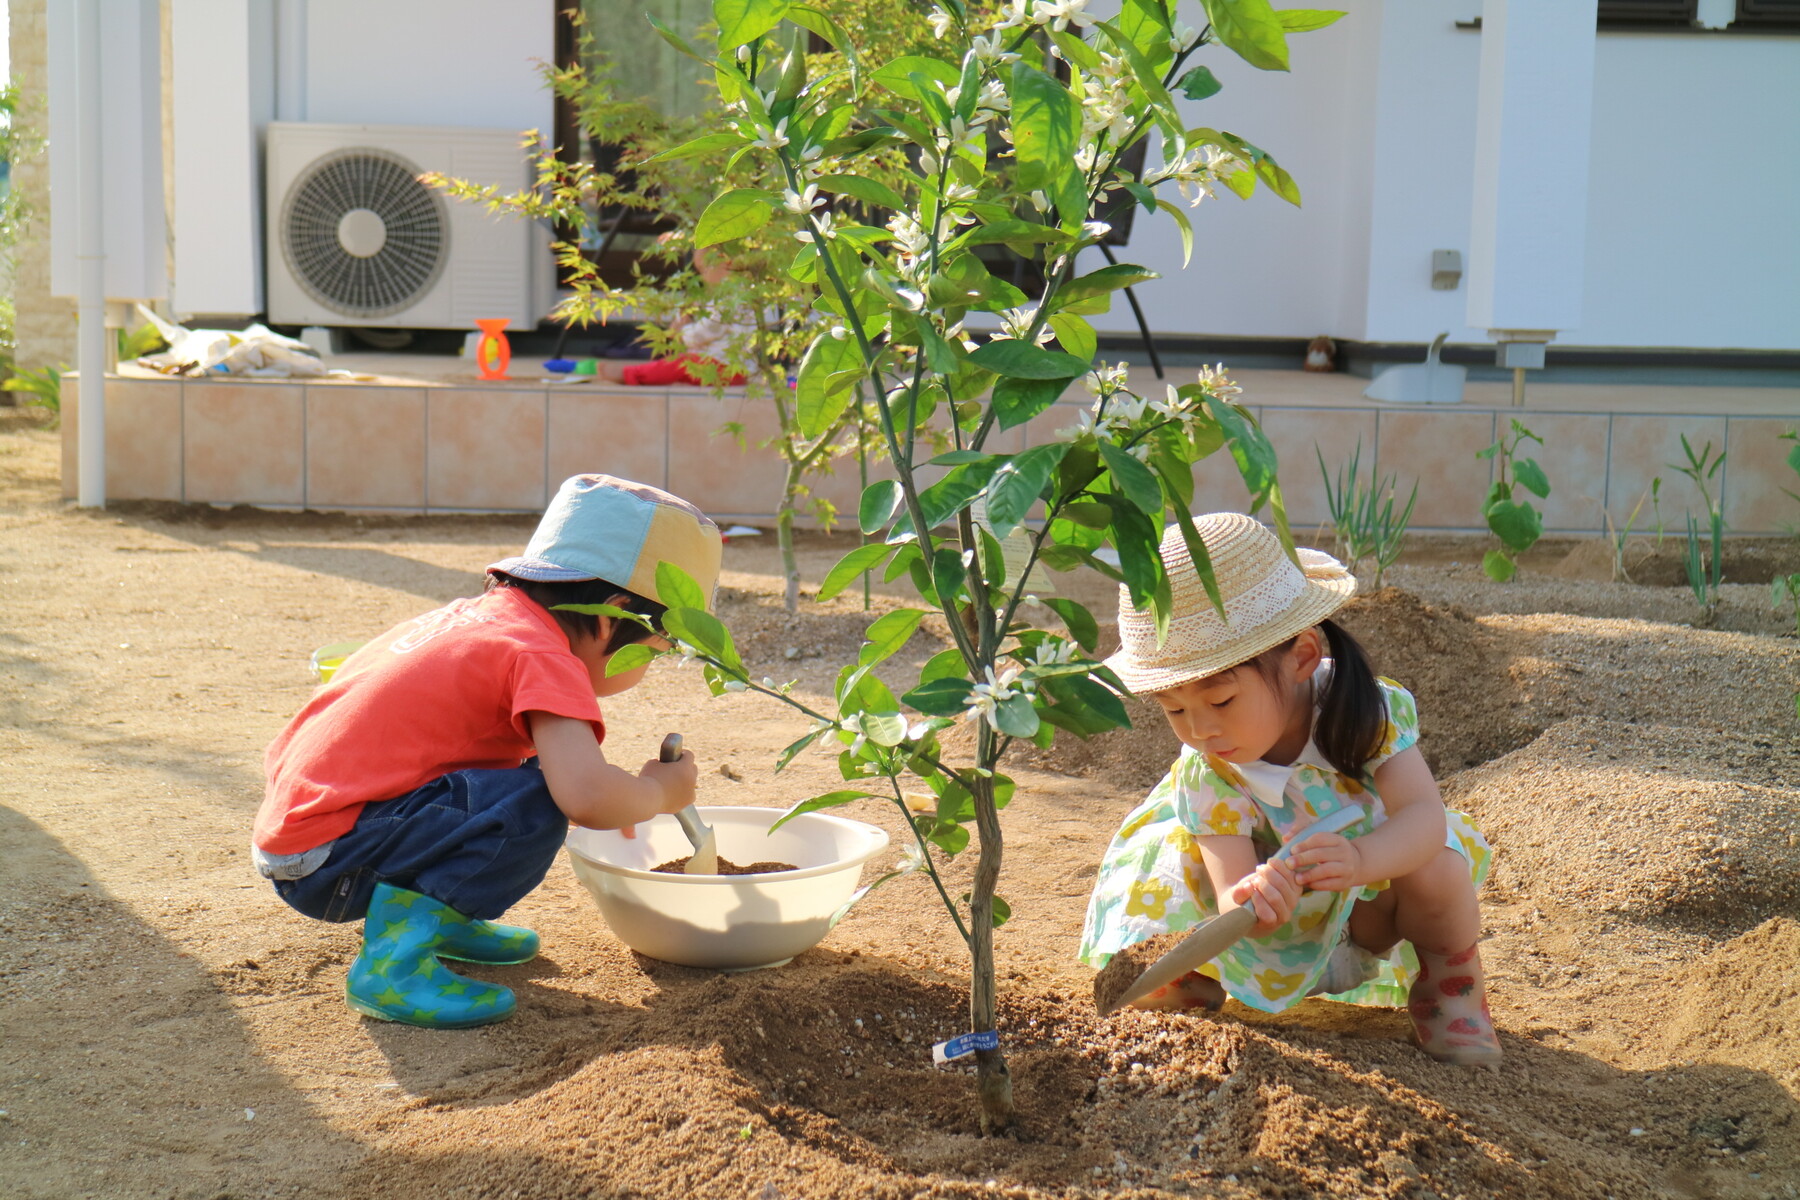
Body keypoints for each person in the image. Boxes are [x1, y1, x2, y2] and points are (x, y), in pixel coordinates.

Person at [252, 474, 722, 1029]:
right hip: (330, 860)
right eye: (655, 650)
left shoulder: (481, 621)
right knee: (535, 803)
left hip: (308, 833)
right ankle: (393, 965)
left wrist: (618, 794)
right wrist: (657, 792)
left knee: (526, 775)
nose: (648, 667)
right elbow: (586, 796)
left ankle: (437, 918)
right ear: (610, 618)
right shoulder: (541, 654)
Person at [1078, 512, 1501, 1067]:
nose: (1200, 729)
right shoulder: (1208, 771)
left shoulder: (1368, 715)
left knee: (1438, 866)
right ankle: (1192, 981)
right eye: (1174, 710)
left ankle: (1451, 988)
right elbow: (1228, 890)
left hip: (1367, 907)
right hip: (1268, 938)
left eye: (1221, 700)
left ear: (1301, 657)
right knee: (1175, 871)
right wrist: (1255, 899)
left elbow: (1424, 817)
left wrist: (1361, 859)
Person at [598, 246, 748, 387]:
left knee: (680, 364)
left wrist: (682, 332)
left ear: (727, 263)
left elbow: (709, 330)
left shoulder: (731, 298)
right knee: (677, 366)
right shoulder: (720, 296)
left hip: (726, 369)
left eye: (705, 269)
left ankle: (632, 374)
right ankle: (642, 373)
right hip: (712, 365)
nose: (702, 276)